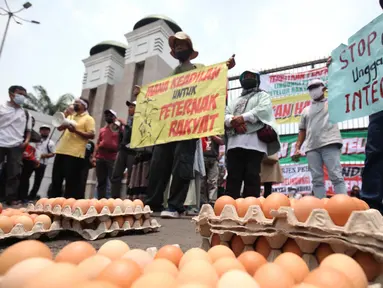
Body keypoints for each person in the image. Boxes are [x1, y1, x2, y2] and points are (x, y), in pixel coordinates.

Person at [141, 31, 236, 218]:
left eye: (182, 45)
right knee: (159, 163)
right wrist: (143, 94)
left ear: (189, 50)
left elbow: (213, 78)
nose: (178, 48)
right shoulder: (170, 76)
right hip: (167, 127)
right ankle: (153, 203)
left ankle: (175, 206)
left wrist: (225, 67)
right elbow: (159, 97)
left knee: (182, 165)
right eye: (176, 46)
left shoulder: (198, 69)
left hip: (187, 126)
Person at [225, 70, 280, 199]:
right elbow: (226, 113)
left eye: (251, 76)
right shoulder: (235, 100)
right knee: (233, 176)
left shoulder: (263, 96)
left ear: (257, 79)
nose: (248, 78)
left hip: (254, 144)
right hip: (234, 144)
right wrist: (232, 121)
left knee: (252, 175)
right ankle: (230, 207)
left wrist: (242, 118)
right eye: (246, 76)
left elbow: (263, 109)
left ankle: (251, 208)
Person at [292, 79, 346, 199]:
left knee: (336, 176)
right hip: (311, 147)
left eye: (316, 87)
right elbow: (302, 130)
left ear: (323, 88)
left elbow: (341, 90)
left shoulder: (333, 103)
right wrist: (297, 147)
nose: (313, 90)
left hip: (330, 143)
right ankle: (321, 207)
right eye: (310, 88)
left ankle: (343, 204)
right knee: (316, 179)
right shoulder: (306, 110)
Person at [51, 98, 95, 199]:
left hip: (75, 154)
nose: (74, 104)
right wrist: (65, 115)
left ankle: (67, 206)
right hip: (61, 151)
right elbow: (59, 127)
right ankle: (53, 204)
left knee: (71, 184)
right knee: (56, 180)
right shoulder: (71, 116)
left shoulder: (88, 119)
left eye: (77, 103)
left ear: (84, 106)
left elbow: (91, 135)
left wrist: (75, 131)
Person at [0, 86, 31, 206]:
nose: (22, 97)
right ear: (11, 94)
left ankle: (11, 198)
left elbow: (28, 130)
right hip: (1, 142)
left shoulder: (25, 113)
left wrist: (26, 141)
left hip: (16, 145)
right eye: (20, 94)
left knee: (14, 173)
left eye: (24, 95)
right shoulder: (2, 108)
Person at [110, 100, 137, 198]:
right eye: (129, 107)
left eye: (132, 107)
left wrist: (125, 124)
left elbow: (136, 133)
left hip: (132, 151)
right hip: (123, 150)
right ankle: (114, 199)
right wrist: (121, 129)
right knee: (116, 175)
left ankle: (129, 199)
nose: (129, 109)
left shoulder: (139, 119)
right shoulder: (129, 119)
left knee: (130, 176)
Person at [93, 110, 120, 199]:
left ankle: (113, 200)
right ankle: (101, 201)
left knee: (113, 180)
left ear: (114, 117)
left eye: (110, 115)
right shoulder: (102, 130)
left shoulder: (118, 129)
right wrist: (94, 157)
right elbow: (97, 143)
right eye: (106, 115)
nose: (107, 116)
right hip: (100, 158)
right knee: (101, 181)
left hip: (112, 158)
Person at [28, 124, 55, 200]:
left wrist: (44, 155)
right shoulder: (35, 139)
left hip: (42, 163)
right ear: (40, 131)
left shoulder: (51, 143)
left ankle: (31, 197)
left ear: (49, 131)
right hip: (32, 161)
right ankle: (23, 195)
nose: (44, 131)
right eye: (43, 130)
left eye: (46, 130)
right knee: (26, 178)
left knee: (37, 181)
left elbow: (53, 153)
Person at [18, 117, 41, 203]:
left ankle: (23, 197)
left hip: (29, 161)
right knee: (14, 177)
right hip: (17, 158)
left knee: (25, 179)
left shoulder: (36, 136)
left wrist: (37, 159)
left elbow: (38, 149)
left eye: (32, 122)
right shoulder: (18, 131)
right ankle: (11, 197)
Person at [201, 136, 224, 206]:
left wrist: (213, 136)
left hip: (213, 158)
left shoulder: (215, 129)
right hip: (202, 157)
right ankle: (202, 203)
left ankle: (212, 202)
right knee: (201, 182)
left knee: (213, 181)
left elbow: (222, 141)